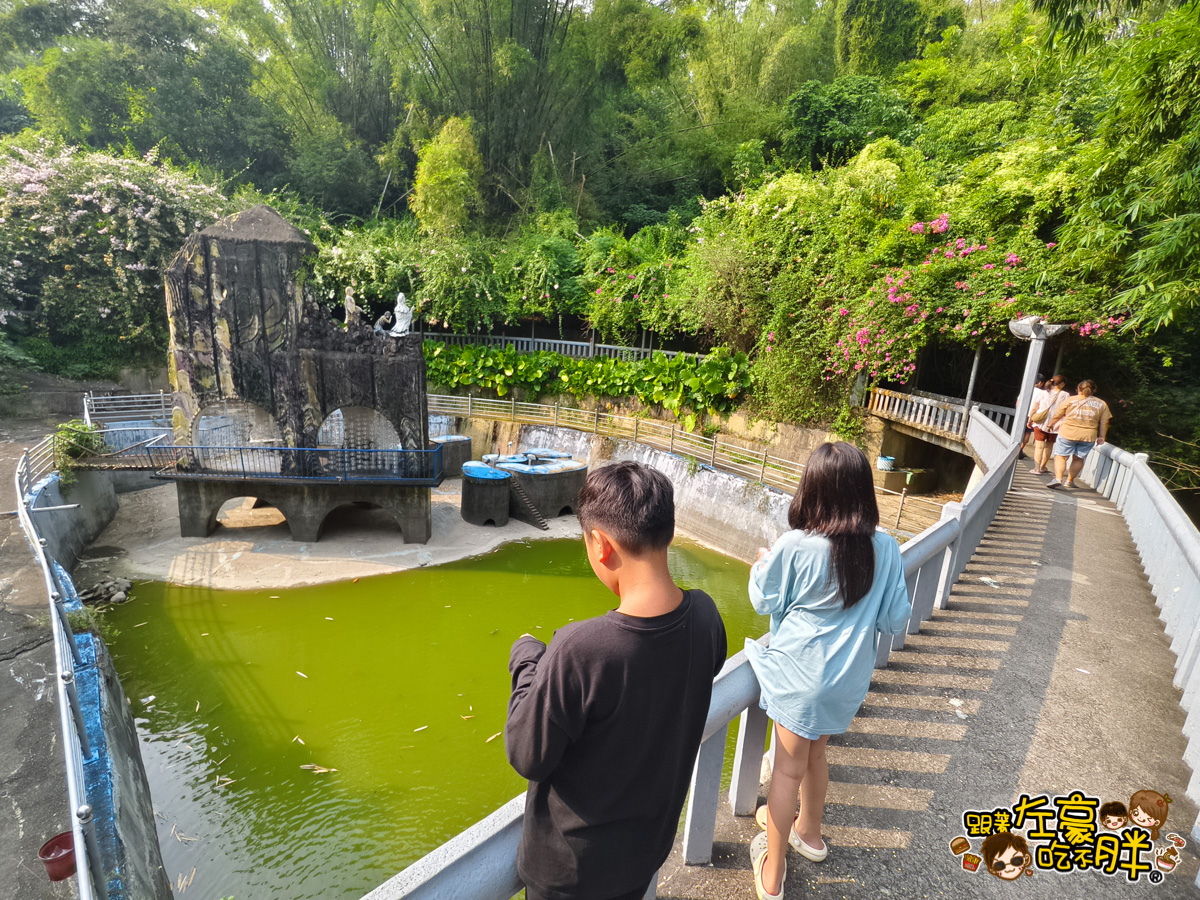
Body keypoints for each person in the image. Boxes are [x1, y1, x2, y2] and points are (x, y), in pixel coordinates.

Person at [505, 461, 727, 900]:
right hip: (643, 855)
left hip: (570, 876)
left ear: (601, 545)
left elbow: (526, 753)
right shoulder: (706, 617)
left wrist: (527, 659)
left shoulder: (580, 650)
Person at [744, 442, 911, 900]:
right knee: (816, 754)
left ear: (812, 489)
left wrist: (763, 563)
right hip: (847, 683)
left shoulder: (796, 545)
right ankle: (809, 834)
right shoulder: (887, 548)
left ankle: (773, 875)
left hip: (800, 679)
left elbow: (763, 600)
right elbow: (896, 621)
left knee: (786, 770)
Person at [1047, 379, 1112, 489]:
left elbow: (1058, 415)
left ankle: (1058, 478)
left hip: (1068, 433)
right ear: (1094, 390)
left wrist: (1050, 425)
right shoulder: (1101, 404)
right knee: (1078, 459)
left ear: (1078, 389)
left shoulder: (1070, 400)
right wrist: (1102, 436)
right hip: (1088, 436)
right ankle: (1069, 481)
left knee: (1061, 457)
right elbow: (1105, 421)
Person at [1030, 374, 1068, 475]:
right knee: (1049, 446)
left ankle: (1036, 468)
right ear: (1062, 384)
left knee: (1039, 447)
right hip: (1055, 425)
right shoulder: (1065, 395)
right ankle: (1043, 467)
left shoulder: (1043, 393)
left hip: (1040, 423)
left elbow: (1035, 407)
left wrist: (1030, 419)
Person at [1020, 375, 1047, 460]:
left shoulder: (1026, 389)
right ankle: (1020, 450)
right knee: (1027, 434)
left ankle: (1016, 450)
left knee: (1019, 432)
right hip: (1032, 415)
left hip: (1022, 413)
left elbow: (1018, 401)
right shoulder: (1042, 393)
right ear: (1040, 382)